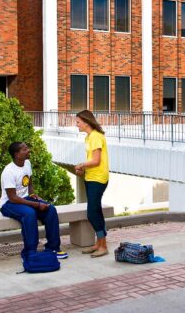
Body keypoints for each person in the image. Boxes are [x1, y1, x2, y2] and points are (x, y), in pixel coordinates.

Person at [0, 142, 68, 260]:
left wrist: (33, 194)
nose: (28, 150)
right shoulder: (8, 171)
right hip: (9, 204)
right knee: (29, 213)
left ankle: (53, 248)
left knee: (50, 209)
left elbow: (29, 181)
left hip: (24, 199)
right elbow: (12, 197)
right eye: (25, 149)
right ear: (17, 154)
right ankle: (30, 252)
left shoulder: (27, 163)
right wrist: (36, 204)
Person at [74, 110, 110, 258]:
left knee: (92, 212)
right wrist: (83, 169)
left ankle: (103, 245)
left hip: (98, 178)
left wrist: (81, 165)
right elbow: (92, 161)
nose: (76, 125)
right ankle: (99, 244)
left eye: (78, 122)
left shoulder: (95, 137)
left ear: (86, 122)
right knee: (96, 211)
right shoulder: (89, 137)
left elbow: (96, 161)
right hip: (91, 177)